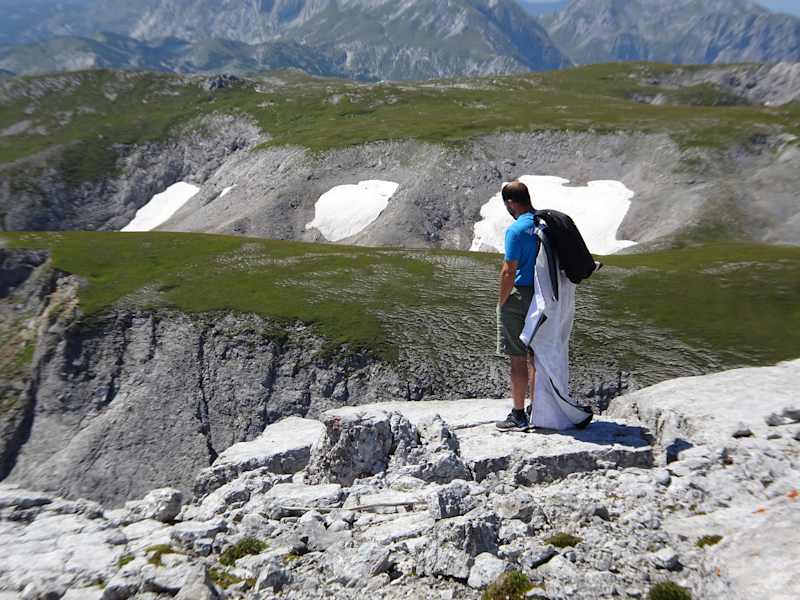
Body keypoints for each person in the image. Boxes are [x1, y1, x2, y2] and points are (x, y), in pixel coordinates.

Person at [495, 180, 539, 432]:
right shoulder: (542, 224)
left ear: (511, 202)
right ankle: (538, 408)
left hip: (520, 296)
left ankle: (519, 414)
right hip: (544, 295)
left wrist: (502, 300)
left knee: (518, 358)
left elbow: (508, 271)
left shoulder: (516, 230)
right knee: (536, 356)